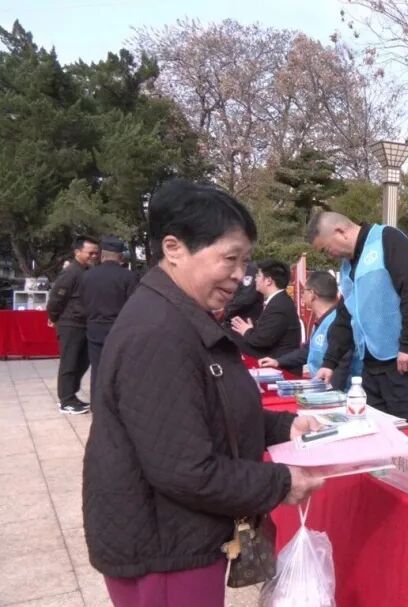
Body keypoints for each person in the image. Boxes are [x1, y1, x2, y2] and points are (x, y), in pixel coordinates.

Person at [83, 179, 324, 607]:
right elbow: (186, 469)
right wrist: (280, 482)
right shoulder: (158, 332)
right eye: (230, 259)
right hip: (164, 548)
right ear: (174, 248)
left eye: (245, 262)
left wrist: (283, 426)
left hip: (176, 536)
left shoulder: (177, 314)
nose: (240, 276)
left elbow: (209, 409)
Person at [306, 211, 408, 426]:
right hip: (372, 364)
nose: (330, 255)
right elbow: (346, 316)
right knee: (376, 426)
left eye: (326, 248)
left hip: (405, 361)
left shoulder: (387, 239)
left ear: (340, 232)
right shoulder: (348, 267)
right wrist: (329, 363)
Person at [258, 271, 360, 390]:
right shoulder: (322, 320)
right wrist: (278, 362)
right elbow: (308, 350)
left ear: (312, 294)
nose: (302, 294)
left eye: (304, 291)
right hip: (321, 388)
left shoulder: (338, 324)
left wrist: (332, 393)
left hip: (336, 392)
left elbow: (342, 363)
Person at [79, 236, 138, 398]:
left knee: (97, 368)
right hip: (119, 329)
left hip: (95, 328)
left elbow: (82, 303)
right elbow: (133, 306)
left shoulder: (87, 276)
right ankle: (118, 402)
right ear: (120, 256)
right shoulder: (128, 277)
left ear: (102, 255)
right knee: (120, 368)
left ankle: (97, 404)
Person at [47, 235, 100, 414]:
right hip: (70, 323)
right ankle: (66, 400)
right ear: (77, 252)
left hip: (84, 323)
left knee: (82, 362)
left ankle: (71, 395)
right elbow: (56, 298)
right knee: (70, 362)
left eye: (96, 253)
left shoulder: (88, 271)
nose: (94, 256)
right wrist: (54, 317)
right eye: (90, 253)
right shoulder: (71, 272)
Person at [230, 259, 302, 374]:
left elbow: (262, 340)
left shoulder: (279, 306)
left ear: (268, 281)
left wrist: (246, 331)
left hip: (282, 370)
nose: (255, 279)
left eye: (258, 276)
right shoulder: (278, 301)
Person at [222, 260, 262, 326]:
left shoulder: (250, 269)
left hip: (244, 321)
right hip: (233, 320)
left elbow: (247, 297)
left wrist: (225, 311)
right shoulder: (238, 267)